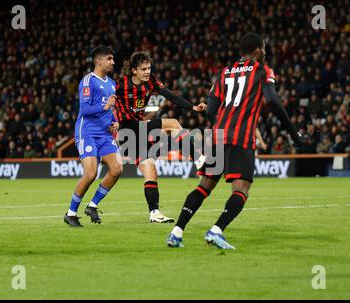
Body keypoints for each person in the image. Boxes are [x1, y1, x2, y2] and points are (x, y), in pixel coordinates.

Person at [167, 33, 302, 249]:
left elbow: (211, 109)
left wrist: (221, 126)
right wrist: (293, 132)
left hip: (218, 135)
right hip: (241, 137)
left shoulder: (224, 73)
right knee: (241, 189)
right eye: (264, 48)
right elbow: (273, 100)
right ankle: (216, 231)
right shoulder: (262, 70)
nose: (265, 52)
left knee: (205, 186)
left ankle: (176, 232)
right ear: (258, 49)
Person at [114, 51, 206, 223]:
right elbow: (106, 103)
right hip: (127, 134)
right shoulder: (120, 85)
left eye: (149, 68)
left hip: (140, 130)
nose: (147, 71)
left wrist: (193, 107)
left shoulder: (152, 81)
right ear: (134, 70)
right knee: (172, 123)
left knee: (150, 171)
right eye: (143, 69)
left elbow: (171, 96)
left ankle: (154, 213)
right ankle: (199, 159)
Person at [64, 46, 123, 227]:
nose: (113, 62)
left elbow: (111, 109)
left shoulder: (112, 83)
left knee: (117, 169)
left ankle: (92, 205)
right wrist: (104, 108)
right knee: (90, 174)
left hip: (105, 134)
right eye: (110, 59)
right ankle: (71, 213)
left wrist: (115, 121)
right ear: (99, 61)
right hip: (87, 132)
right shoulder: (88, 81)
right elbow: (85, 110)